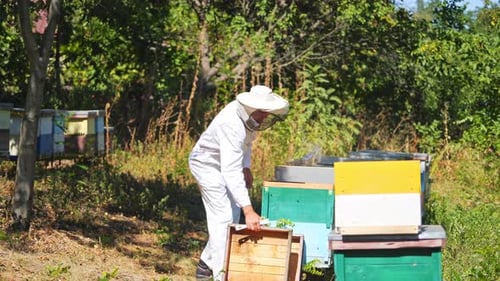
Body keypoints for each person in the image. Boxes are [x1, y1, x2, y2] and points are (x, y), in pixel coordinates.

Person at [188, 85, 289, 281]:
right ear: (253, 109)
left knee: (231, 217)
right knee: (223, 218)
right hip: (206, 165)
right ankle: (220, 275)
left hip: (224, 165)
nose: (265, 118)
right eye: (264, 114)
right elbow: (230, 171)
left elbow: (247, 144)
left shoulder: (248, 119)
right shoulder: (231, 123)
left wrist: (247, 167)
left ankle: (205, 265)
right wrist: (249, 210)